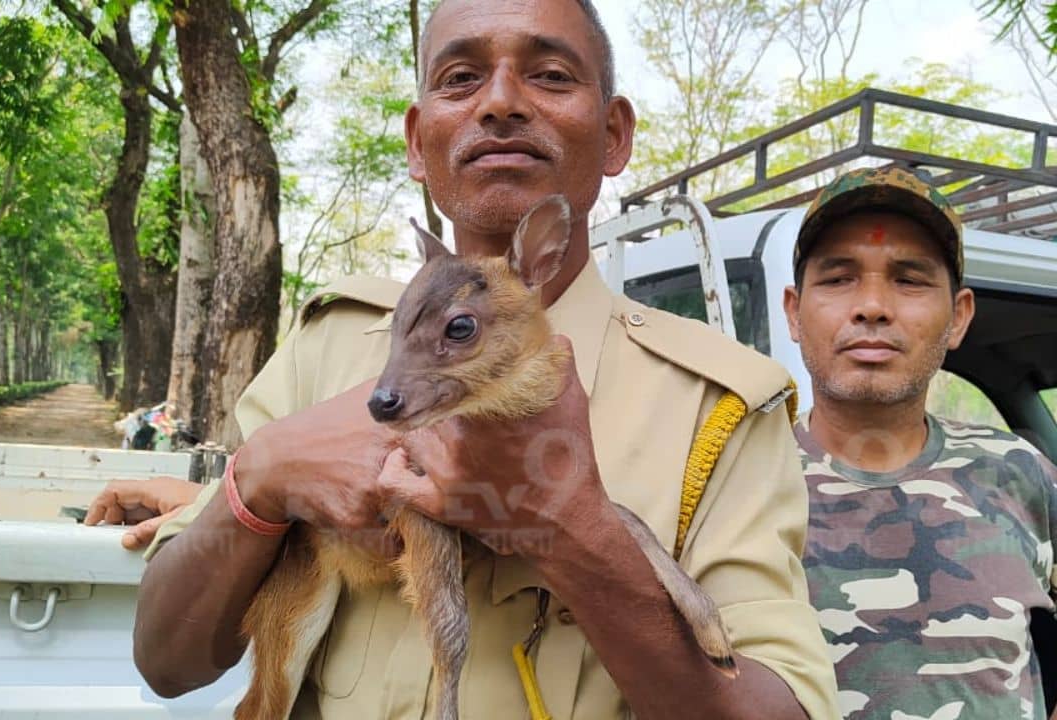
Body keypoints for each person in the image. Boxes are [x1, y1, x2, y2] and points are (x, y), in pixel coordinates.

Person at [123, 1, 841, 717]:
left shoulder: (718, 405)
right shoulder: (326, 347)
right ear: (416, 140)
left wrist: (574, 534)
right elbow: (166, 660)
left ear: (614, 134)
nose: (500, 102)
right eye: (462, 77)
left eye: (552, 75)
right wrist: (263, 475)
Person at [783, 166, 1057, 719]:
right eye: (838, 278)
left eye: (909, 279)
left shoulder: (1020, 471)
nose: (873, 306)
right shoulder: (737, 480)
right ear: (794, 312)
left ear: (958, 318)